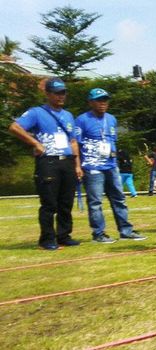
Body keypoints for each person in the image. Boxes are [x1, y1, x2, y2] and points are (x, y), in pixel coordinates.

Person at [8, 77, 82, 250]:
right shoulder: (36, 112)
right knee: (49, 203)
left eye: (63, 92)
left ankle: (64, 235)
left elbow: (73, 142)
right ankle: (47, 239)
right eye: (57, 93)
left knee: (66, 202)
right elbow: (15, 127)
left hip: (67, 162)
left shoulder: (68, 115)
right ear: (48, 94)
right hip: (48, 162)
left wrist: (77, 165)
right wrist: (35, 143)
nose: (60, 96)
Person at [75, 88, 146, 243]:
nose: (102, 103)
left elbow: (112, 141)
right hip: (92, 166)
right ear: (90, 102)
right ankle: (98, 234)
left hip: (111, 165)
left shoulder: (111, 119)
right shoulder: (82, 120)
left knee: (119, 198)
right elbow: (75, 143)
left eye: (105, 100)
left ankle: (126, 231)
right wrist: (78, 166)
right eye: (99, 100)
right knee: (95, 202)